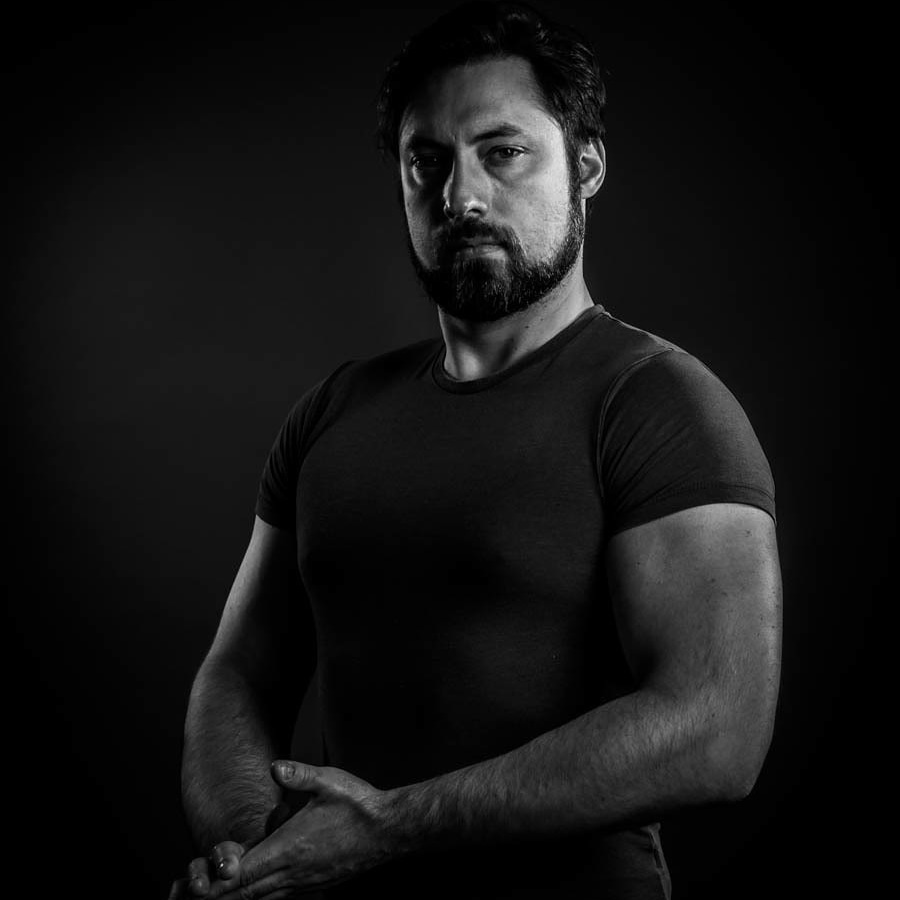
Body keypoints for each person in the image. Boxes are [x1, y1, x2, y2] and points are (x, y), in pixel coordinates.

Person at [169, 2, 782, 898]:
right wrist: (254, 859)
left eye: (503, 152)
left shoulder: (660, 404)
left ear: (587, 166)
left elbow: (719, 729)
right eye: (429, 161)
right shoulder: (334, 410)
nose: (462, 196)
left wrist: (391, 830)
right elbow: (237, 673)